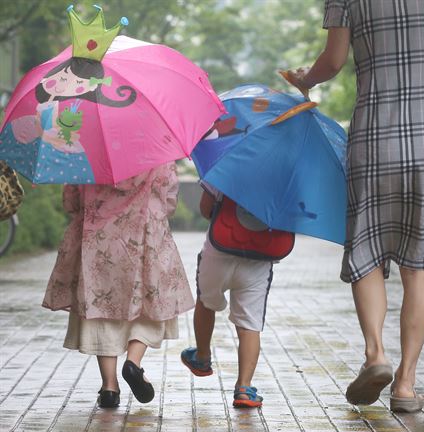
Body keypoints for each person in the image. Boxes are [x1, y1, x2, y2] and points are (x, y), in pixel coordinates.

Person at [283, 0, 424, 412]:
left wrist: (307, 79)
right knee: (419, 263)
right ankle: (406, 384)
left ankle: (376, 355)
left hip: (377, 134)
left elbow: (334, 60)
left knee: (367, 252)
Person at [42, 162, 194, 408]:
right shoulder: (158, 151)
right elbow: (168, 202)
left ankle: (109, 388)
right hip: (145, 240)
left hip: (99, 242)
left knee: (102, 309)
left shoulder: (88, 153)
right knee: (149, 305)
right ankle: (133, 363)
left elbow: (71, 202)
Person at [180, 183, 286, 408]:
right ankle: (244, 388)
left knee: (206, 302)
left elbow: (205, 208)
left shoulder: (227, 158)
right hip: (259, 257)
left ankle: (202, 356)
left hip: (219, 250)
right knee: (249, 323)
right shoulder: (286, 175)